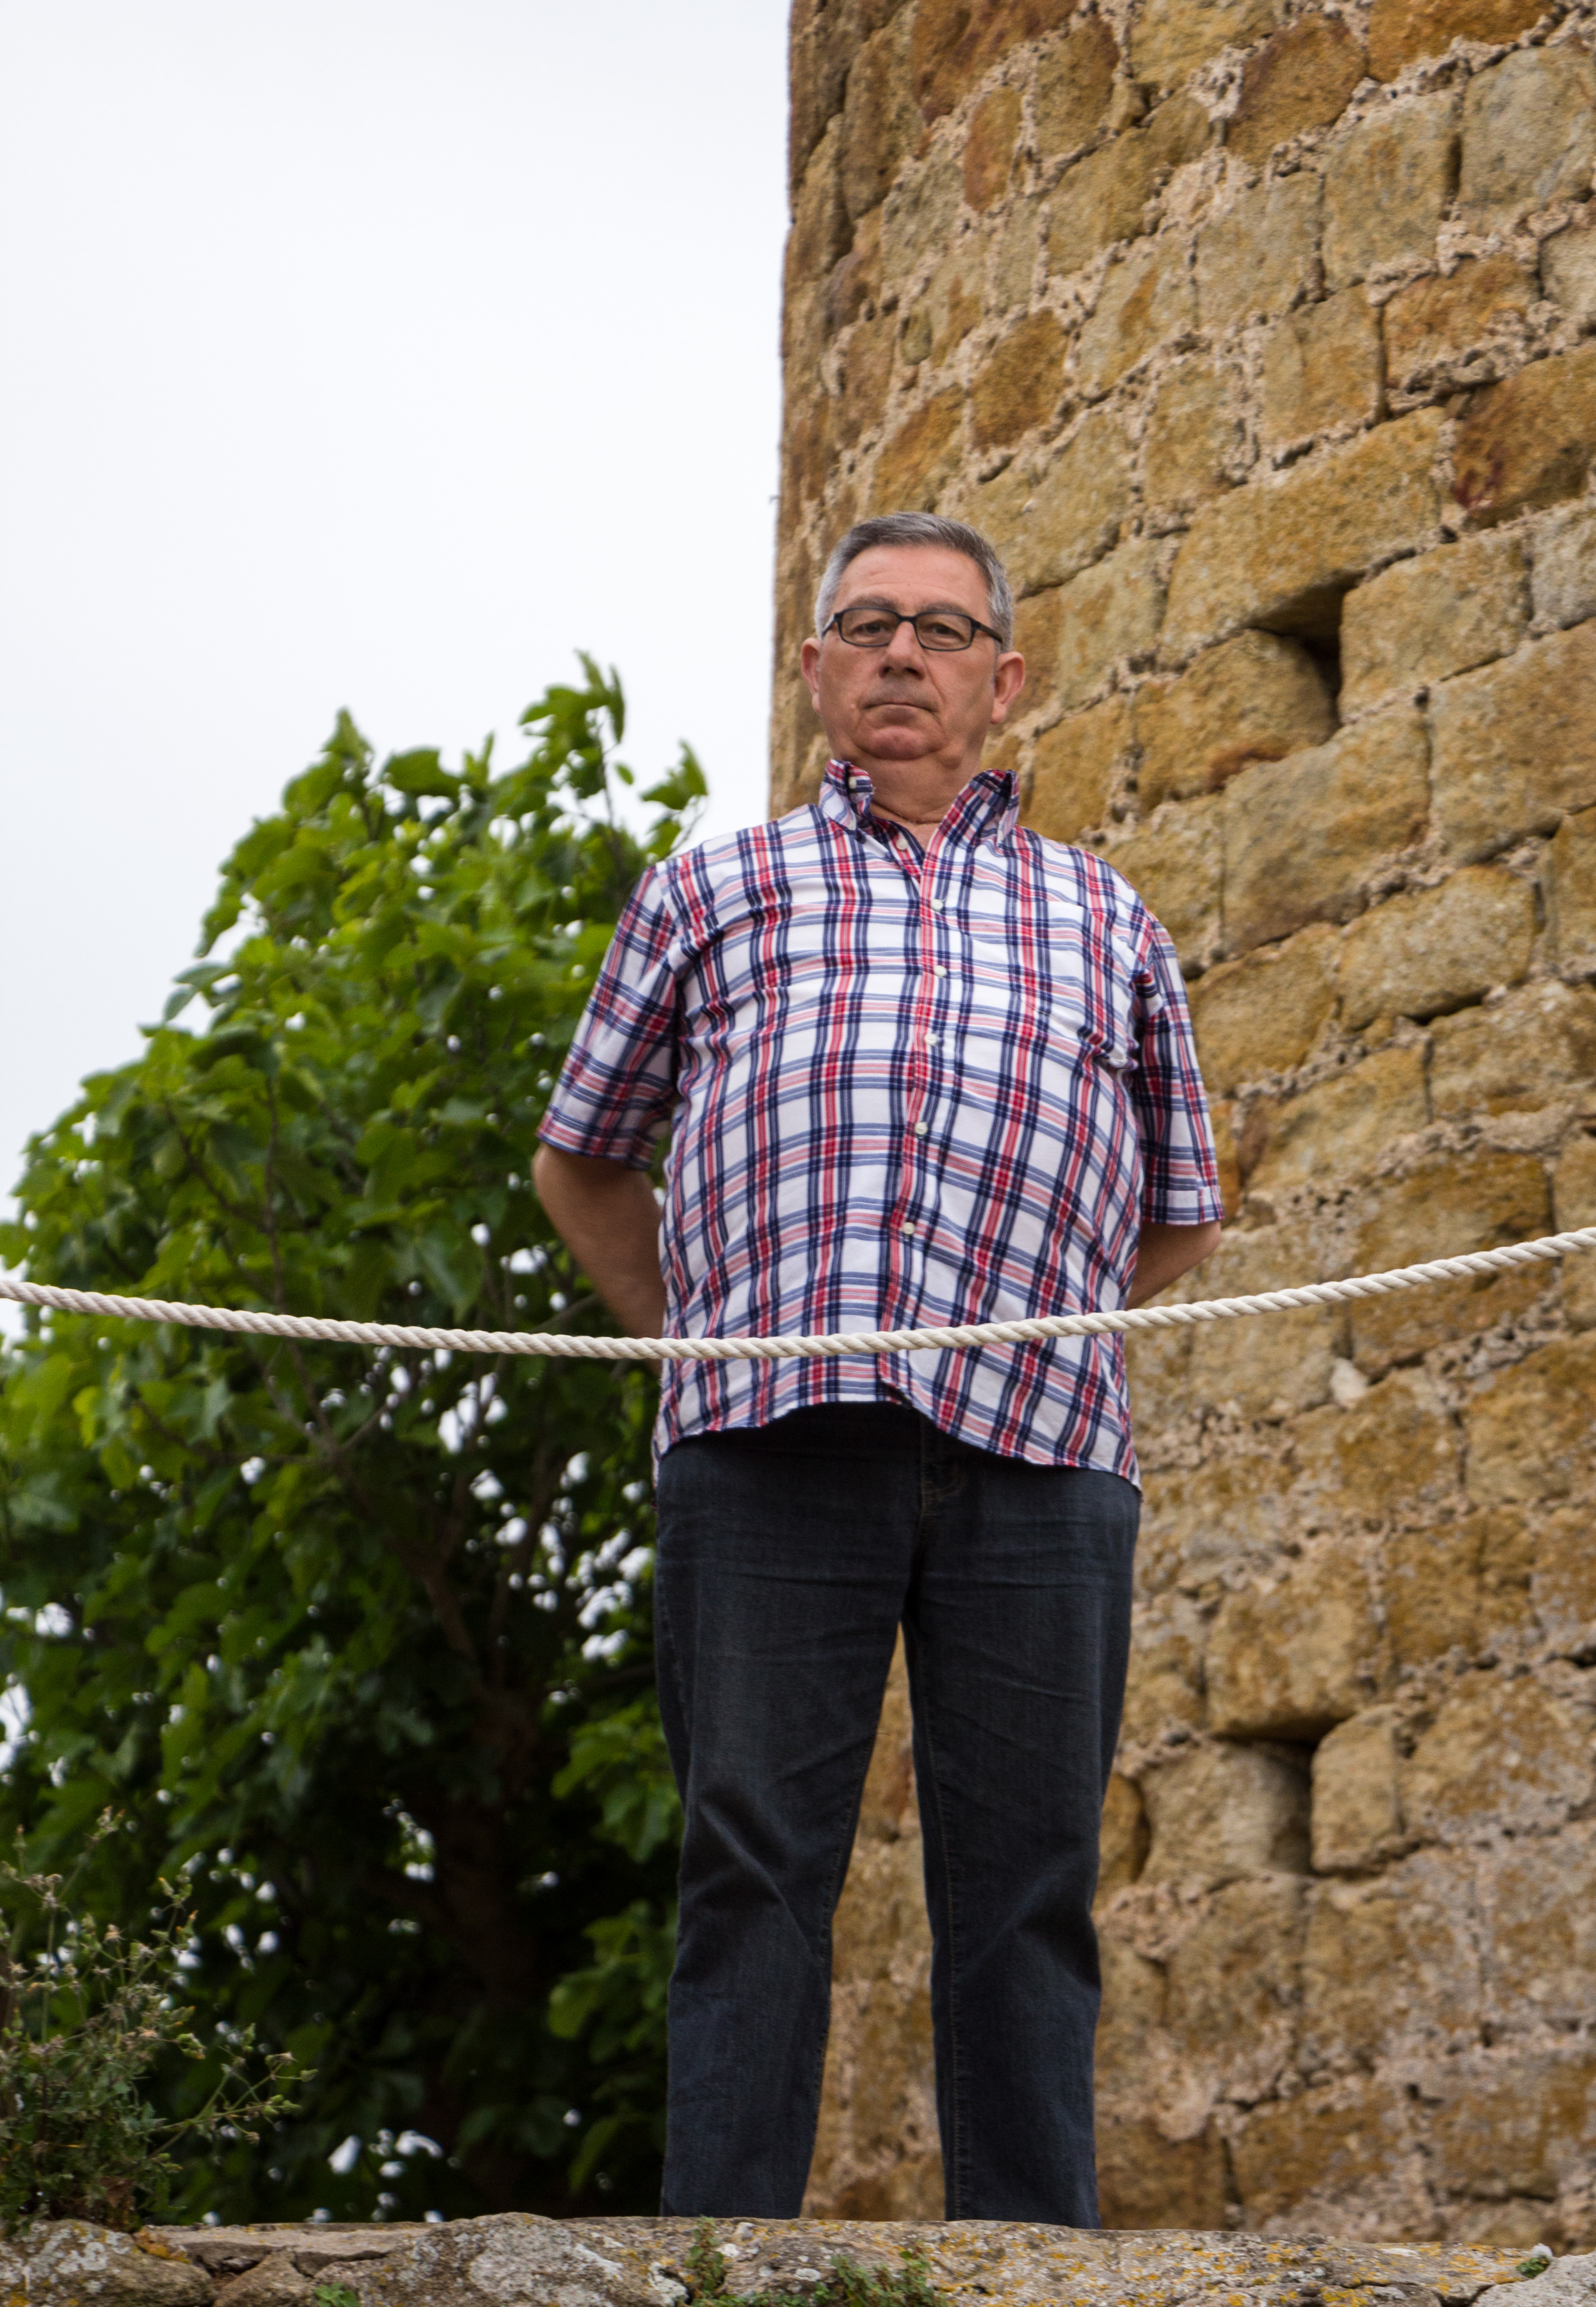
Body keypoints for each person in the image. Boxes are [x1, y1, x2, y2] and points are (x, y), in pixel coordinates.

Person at [532, 511, 1222, 2226]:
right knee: (750, 1870)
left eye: (942, 630)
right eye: (868, 626)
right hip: (767, 1444)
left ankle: (1029, 2263)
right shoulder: (710, 890)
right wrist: (698, 1346)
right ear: (817, 667)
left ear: (1005, 679)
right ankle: (723, 2258)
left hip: (1042, 1457)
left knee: (1032, 1886)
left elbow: (1183, 1212)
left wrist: (1043, 1326)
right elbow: (583, 1161)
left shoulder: (1109, 918)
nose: (903, 655)